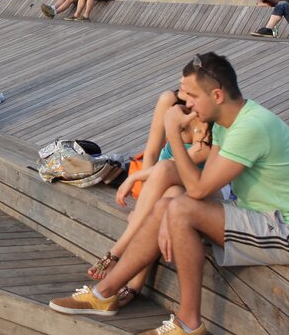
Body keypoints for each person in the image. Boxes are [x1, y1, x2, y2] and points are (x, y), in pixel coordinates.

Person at [49, 53, 289, 335]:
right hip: (257, 215)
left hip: (288, 232)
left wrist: (174, 134)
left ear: (216, 95)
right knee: (171, 203)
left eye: (191, 95)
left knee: (179, 208)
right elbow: (206, 182)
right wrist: (169, 211)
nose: (185, 103)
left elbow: (199, 189)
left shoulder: (251, 126)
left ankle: (188, 325)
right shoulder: (230, 123)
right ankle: (104, 294)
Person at [86, 91, 212, 308]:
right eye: (183, 83)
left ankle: (118, 257)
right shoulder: (170, 101)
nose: (183, 89)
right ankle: (133, 284)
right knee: (166, 196)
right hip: (159, 180)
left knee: (168, 189)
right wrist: (146, 195)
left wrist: (136, 177)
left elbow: (186, 161)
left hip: (190, 184)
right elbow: (151, 152)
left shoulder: (213, 120)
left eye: (189, 85)